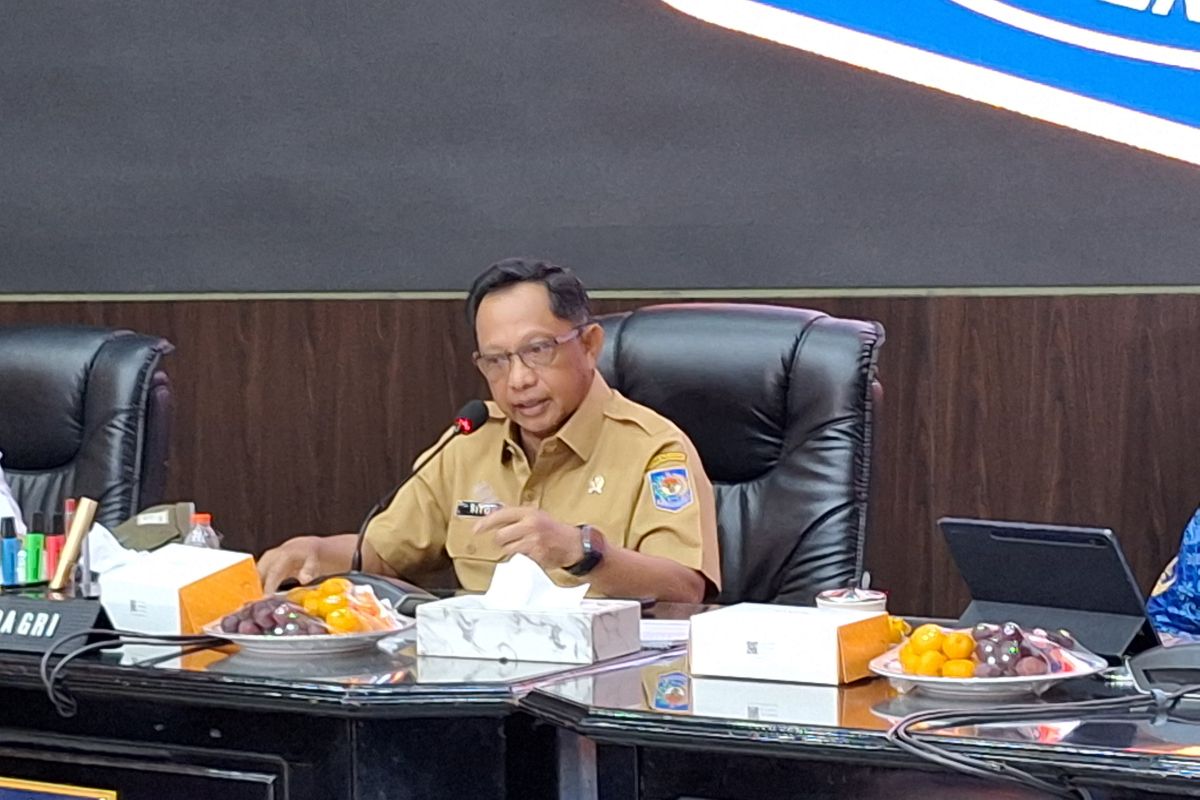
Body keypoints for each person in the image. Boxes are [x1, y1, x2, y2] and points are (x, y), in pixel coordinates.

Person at [258, 258, 720, 602]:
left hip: (601, 682)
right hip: (477, 678)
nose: (517, 380)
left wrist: (580, 551)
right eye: (496, 360)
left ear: (589, 344)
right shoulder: (469, 440)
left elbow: (684, 589)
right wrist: (315, 551)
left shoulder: (653, 449)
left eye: (537, 350)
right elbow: (380, 554)